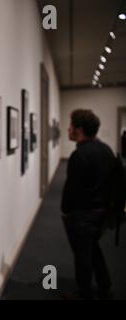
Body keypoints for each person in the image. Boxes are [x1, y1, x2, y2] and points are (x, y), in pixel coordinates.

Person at [61, 109, 115, 300]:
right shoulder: (106, 150)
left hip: (83, 215)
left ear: (79, 129)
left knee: (82, 257)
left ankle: (84, 294)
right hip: (102, 214)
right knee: (93, 250)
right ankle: (104, 286)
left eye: (71, 126)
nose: (68, 129)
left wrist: (65, 211)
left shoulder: (80, 155)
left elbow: (71, 189)